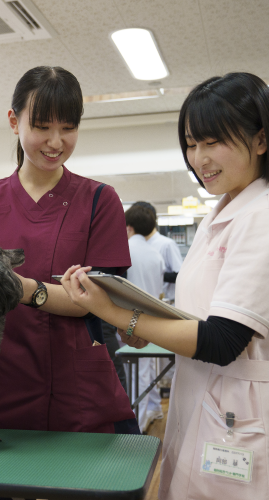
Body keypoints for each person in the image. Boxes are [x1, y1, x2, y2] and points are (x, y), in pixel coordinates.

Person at [61, 72, 269, 499]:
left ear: (262, 140)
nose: (199, 158)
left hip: (237, 418)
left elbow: (222, 339)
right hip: (202, 402)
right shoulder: (220, 215)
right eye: (192, 144)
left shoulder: (261, 216)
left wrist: (117, 313)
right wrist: (141, 324)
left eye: (213, 142)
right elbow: (197, 318)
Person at [0, 65, 138, 479]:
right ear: (14, 121)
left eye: (68, 127)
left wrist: (23, 288)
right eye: (42, 126)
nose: (56, 142)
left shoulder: (100, 200)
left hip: (77, 395)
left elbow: (97, 301)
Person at [124, 205, 165, 432]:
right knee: (147, 369)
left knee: (134, 373)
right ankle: (153, 410)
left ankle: (137, 424)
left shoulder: (124, 249)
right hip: (152, 320)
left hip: (127, 320)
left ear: (128, 227)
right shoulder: (155, 253)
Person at [133, 201, 183, 304]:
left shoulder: (167, 244)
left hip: (165, 302)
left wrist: (155, 273)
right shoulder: (136, 245)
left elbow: (180, 275)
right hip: (143, 302)